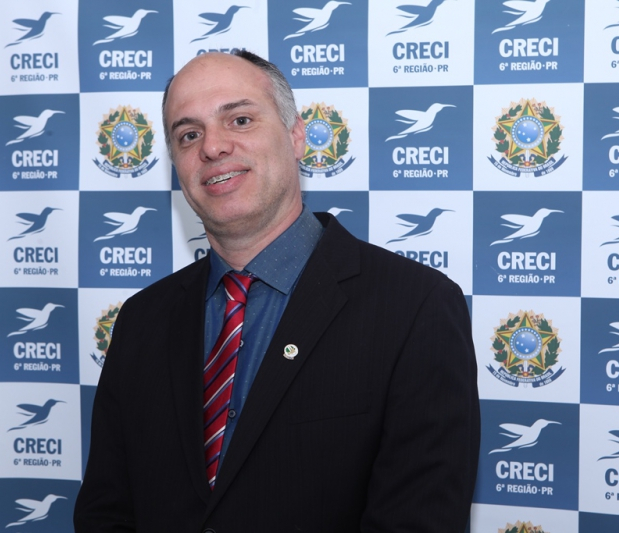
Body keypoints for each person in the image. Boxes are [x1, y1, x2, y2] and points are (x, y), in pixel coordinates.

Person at [74, 50, 480, 532]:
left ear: (296, 135)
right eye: (189, 134)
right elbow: (106, 512)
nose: (213, 147)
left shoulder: (415, 308)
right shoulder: (143, 318)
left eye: (240, 120)